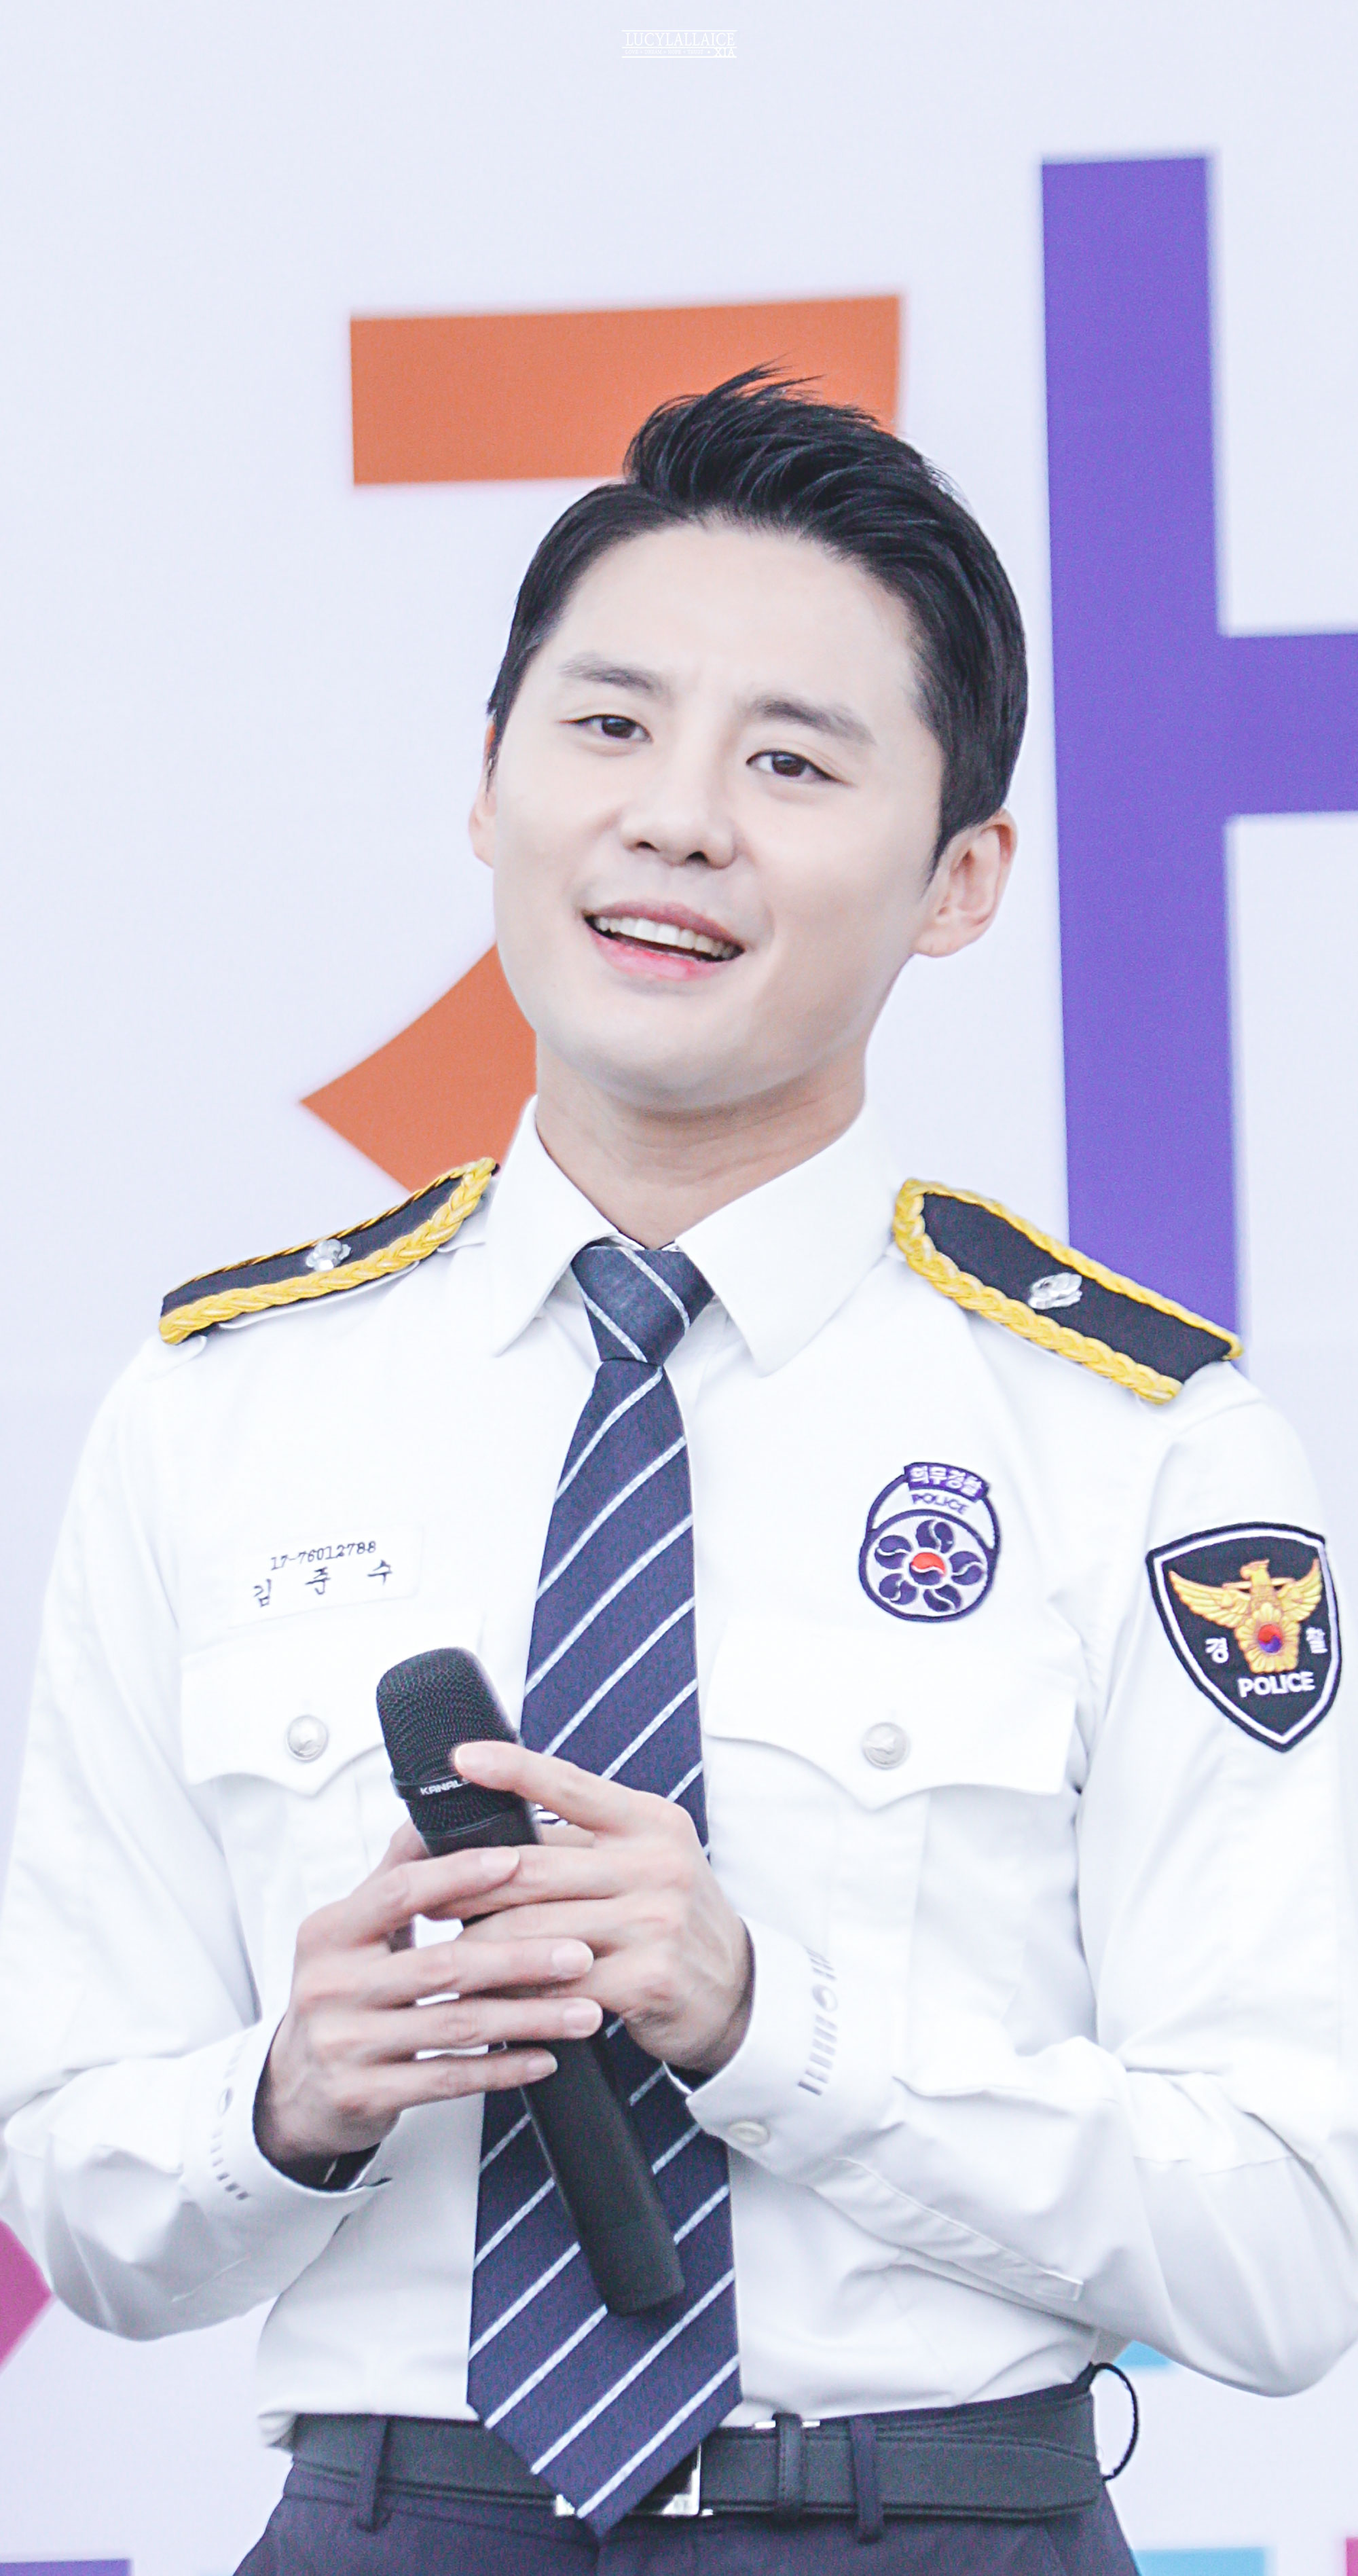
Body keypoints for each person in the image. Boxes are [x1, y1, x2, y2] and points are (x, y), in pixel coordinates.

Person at [2, 373, 1356, 2576]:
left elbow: (1290, 2246)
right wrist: (286, 2094)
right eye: (611, 725)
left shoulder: (1139, 1445)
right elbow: (83, 2196)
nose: (678, 819)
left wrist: (767, 2023)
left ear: (962, 879)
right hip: (394, 2522)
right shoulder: (223, 1407)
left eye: (793, 762)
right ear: (489, 784)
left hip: (926, 2523)